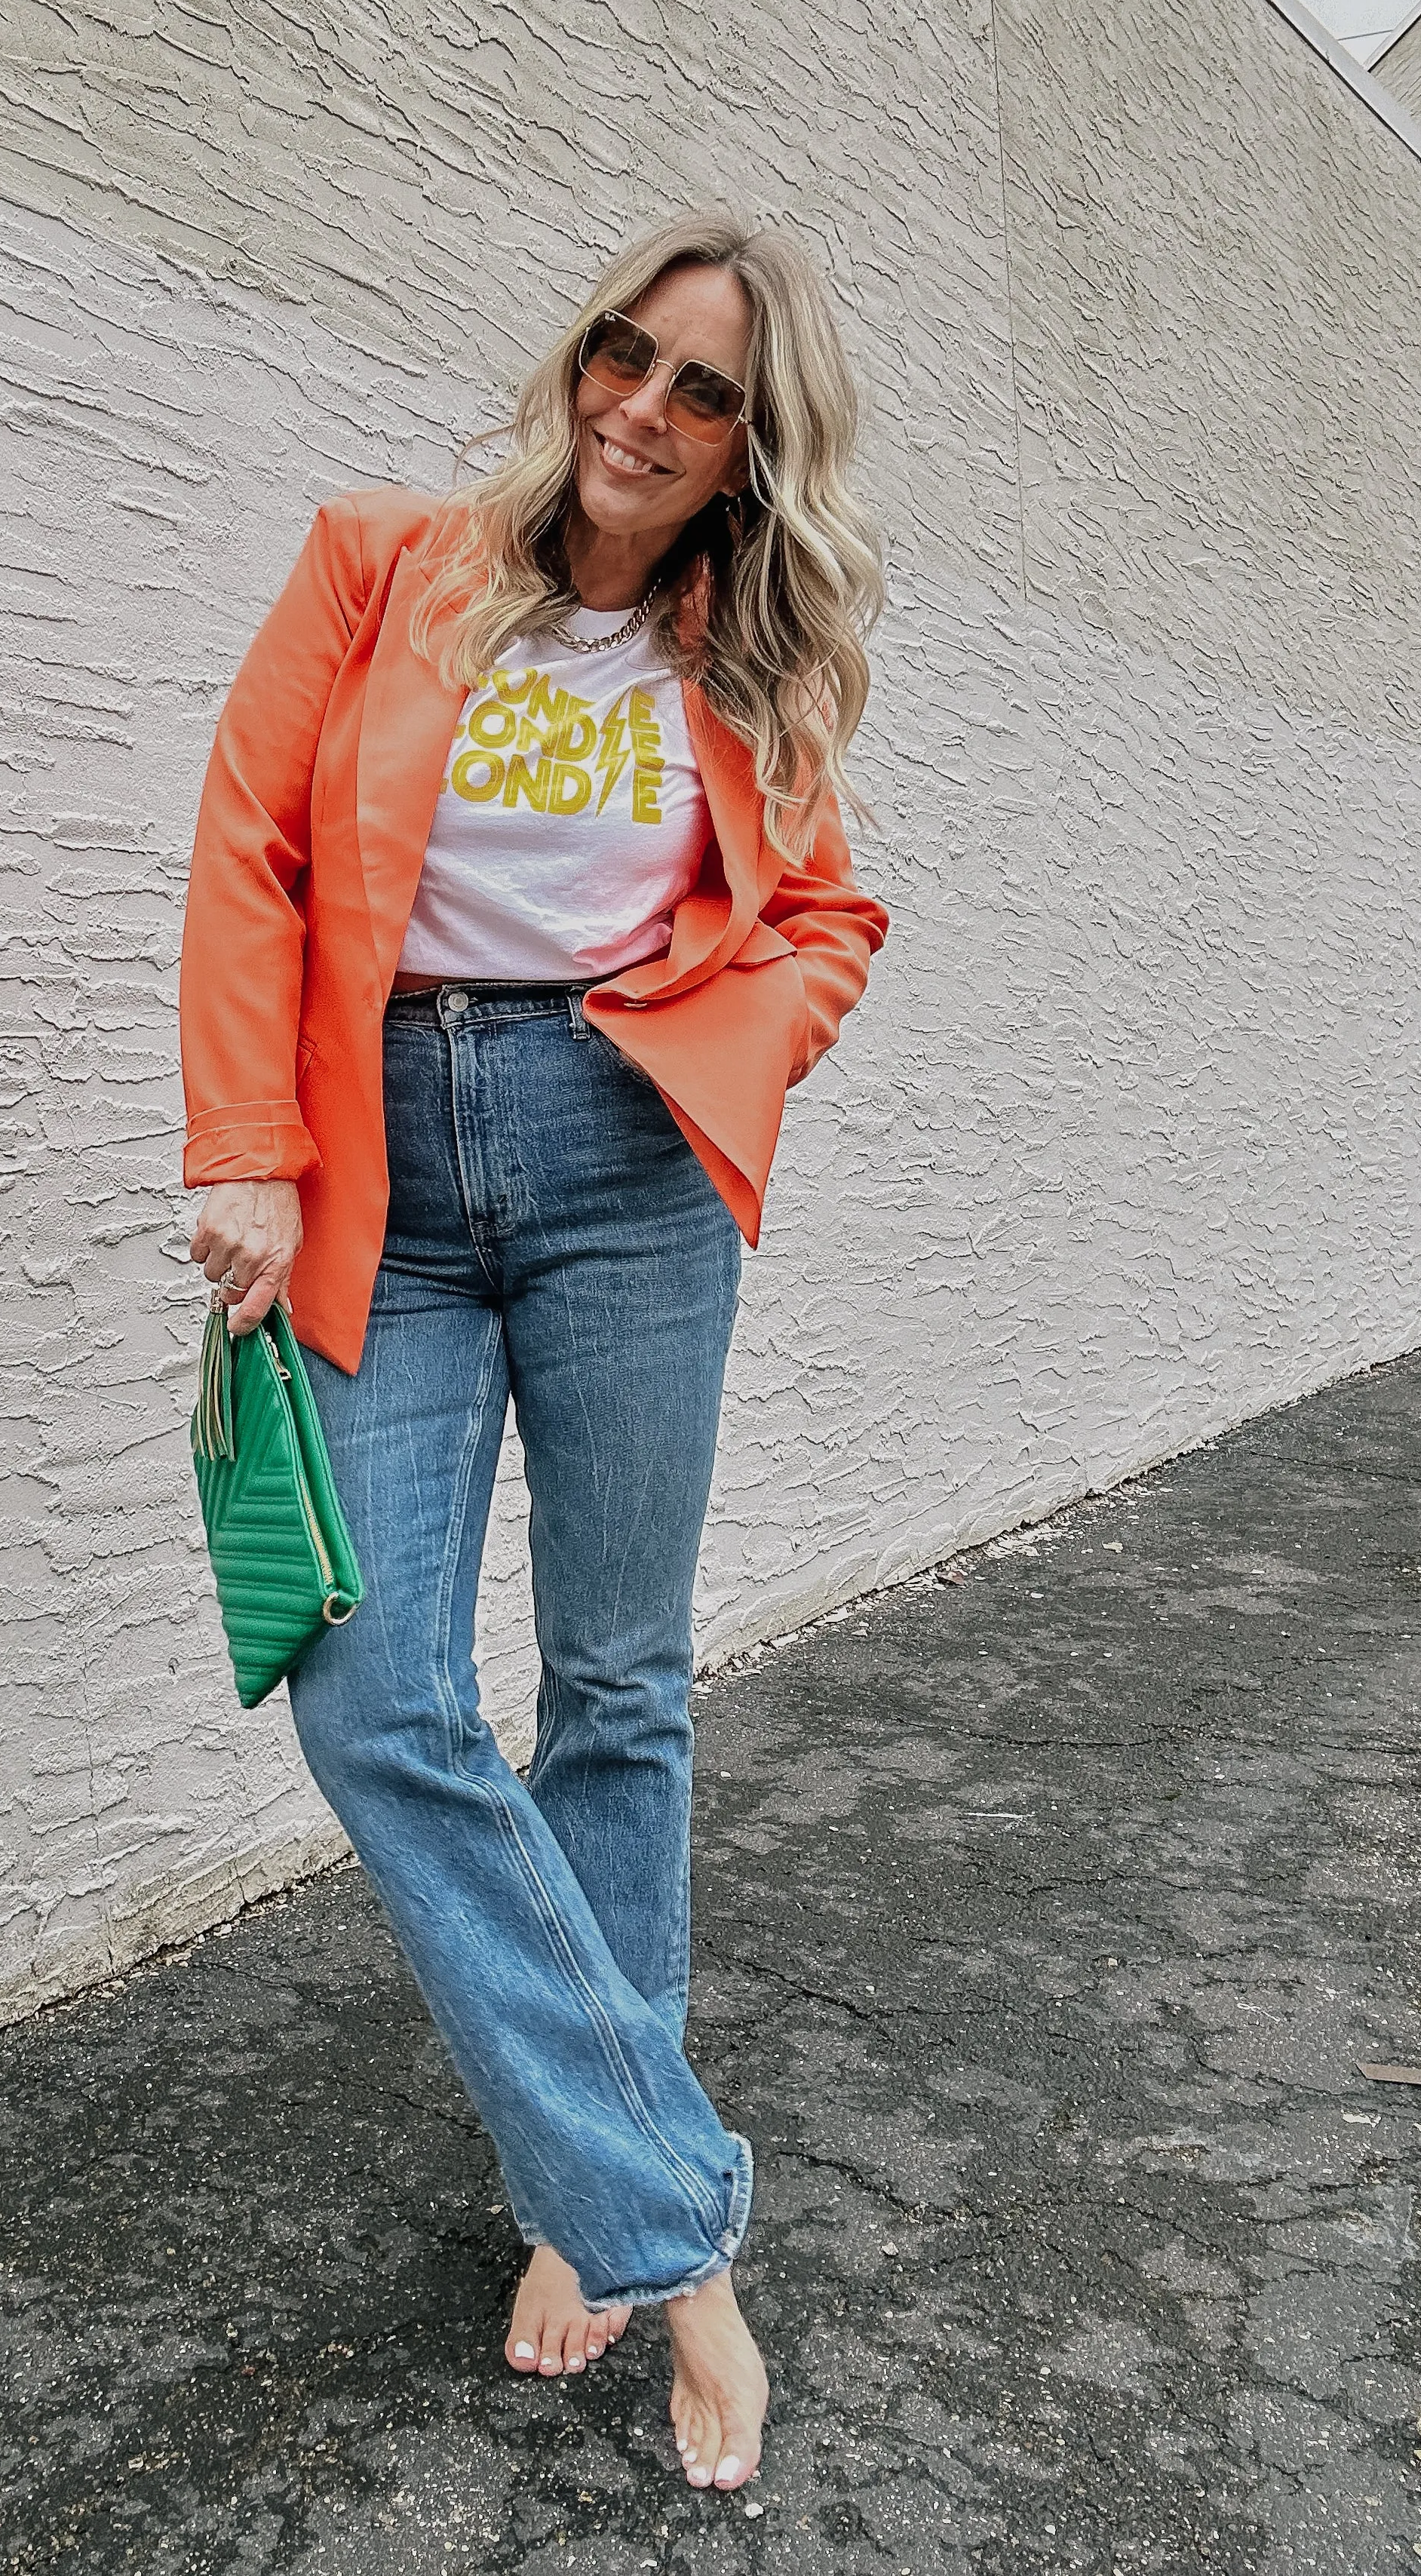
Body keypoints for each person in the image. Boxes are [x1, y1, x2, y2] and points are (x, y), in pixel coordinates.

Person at [179, 209, 887, 2494]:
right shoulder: (385, 561)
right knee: (375, 1683)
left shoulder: (744, 669)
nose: (639, 407)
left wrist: (715, 1047)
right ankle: (672, 2224)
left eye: (698, 392)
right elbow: (255, 844)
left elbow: (831, 915)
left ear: (749, 456)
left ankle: (581, 2211)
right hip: (388, 1153)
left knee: (617, 1689)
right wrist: (251, 1144)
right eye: (622, 352)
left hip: (624, 1171)